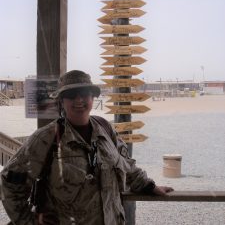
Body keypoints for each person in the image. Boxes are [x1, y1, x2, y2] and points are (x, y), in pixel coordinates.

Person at [1, 70, 173, 225]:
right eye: (71, 95)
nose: (79, 100)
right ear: (62, 101)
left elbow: (126, 164)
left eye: (84, 94)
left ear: (92, 97)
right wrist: (29, 220)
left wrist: (149, 187)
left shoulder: (106, 129)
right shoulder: (46, 139)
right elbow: (10, 181)